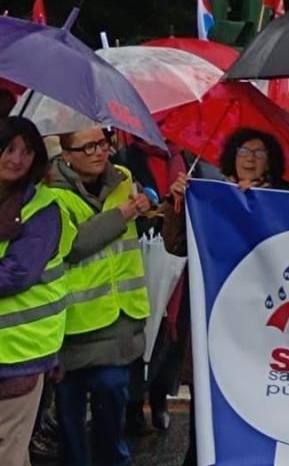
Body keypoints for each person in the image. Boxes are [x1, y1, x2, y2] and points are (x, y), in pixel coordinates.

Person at [47, 126, 154, 466]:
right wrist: (124, 213)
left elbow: (148, 205)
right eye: (87, 147)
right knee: (70, 419)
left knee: (112, 403)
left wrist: (150, 197)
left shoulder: (123, 177)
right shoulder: (48, 191)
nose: (98, 152)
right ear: (66, 155)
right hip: (69, 325)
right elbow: (73, 245)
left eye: (102, 143)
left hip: (118, 319)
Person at [0, 119, 74, 466]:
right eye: (9, 148)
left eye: (27, 151)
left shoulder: (42, 209)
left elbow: (17, 273)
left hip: (20, 353)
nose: (17, 159)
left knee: (8, 450)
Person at [220, 128, 289, 190]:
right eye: (243, 151)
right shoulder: (218, 189)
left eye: (259, 153)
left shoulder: (280, 194)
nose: (250, 158)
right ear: (233, 158)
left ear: (268, 164)